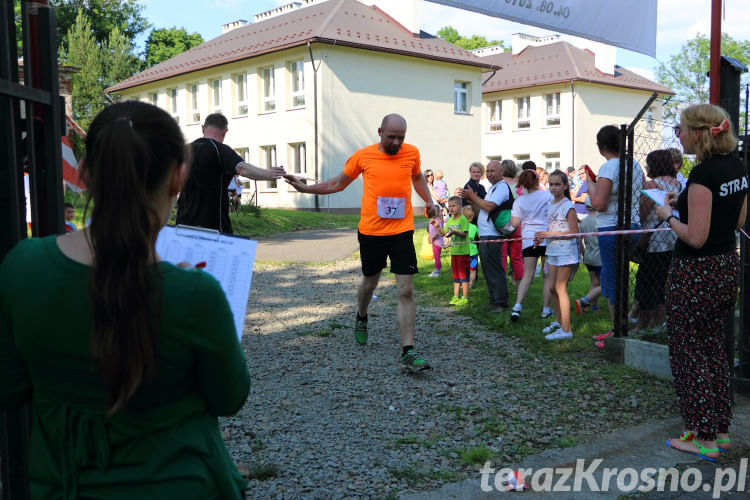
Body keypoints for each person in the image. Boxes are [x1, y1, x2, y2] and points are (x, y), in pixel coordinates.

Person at [0, 101, 250, 498]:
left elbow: (10, 388)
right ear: (178, 179)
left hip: (61, 487)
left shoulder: (23, 266)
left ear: (84, 176)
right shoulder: (194, 293)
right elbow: (229, 396)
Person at [284, 113, 436, 370]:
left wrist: (429, 200)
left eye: (401, 138)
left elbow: (418, 177)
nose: (397, 143)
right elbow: (337, 183)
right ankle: (362, 315)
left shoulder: (411, 153)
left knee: (406, 289)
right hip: (372, 232)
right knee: (370, 282)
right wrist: (306, 189)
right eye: (391, 137)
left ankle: (408, 350)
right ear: (379, 132)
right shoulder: (363, 156)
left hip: (402, 231)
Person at [657, 104, 747, 461]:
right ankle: (720, 429)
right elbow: (738, 218)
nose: (678, 136)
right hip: (726, 266)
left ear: (698, 134)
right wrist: (688, 205)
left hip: (696, 272)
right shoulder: (736, 166)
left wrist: (667, 215)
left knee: (687, 351)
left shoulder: (703, 174)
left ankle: (702, 436)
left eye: (681, 130)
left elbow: (695, 237)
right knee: (713, 349)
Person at [176, 112, 285, 234]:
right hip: (214, 228)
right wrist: (269, 174)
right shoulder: (220, 150)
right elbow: (242, 168)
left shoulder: (183, 151)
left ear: (203, 128)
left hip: (182, 227)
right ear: (225, 132)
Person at [586, 124, 644, 336]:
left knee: (611, 279)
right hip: (633, 225)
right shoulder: (635, 164)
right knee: (620, 276)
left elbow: (599, 203)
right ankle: (622, 324)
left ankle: (616, 331)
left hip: (611, 227)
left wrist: (590, 184)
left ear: (600, 147)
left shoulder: (609, 167)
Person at [633, 149, 681, 334]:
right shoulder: (678, 185)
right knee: (664, 283)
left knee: (647, 282)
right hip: (673, 237)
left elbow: (643, 212)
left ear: (654, 165)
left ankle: (642, 324)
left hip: (654, 241)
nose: (646, 167)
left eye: (648, 163)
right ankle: (657, 323)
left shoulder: (652, 184)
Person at [534, 170, 580, 340]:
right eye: (551, 184)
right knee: (552, 287)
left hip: (566, 252)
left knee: (561, 288)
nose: (553, 188)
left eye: (557, 184)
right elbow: (553, 228)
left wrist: (549, 234)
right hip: (552, 251)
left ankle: (567, 330)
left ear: (565, 186)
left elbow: (574, 232)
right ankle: (559, 322)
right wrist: (541, 237)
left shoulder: (568, 205)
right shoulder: (550, 204)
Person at [460, 160, 510, 313]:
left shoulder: (502, 187)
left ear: (501, 172)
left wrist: (474, 198)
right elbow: (482, 209)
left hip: (493, 236)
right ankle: (493, 300)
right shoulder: (491, 188)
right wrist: (472, 201)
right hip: (485, 235)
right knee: (488, 270)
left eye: (492, 171)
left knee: (495, 270)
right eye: (487, 171)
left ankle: (501, 303)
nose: (489, 174)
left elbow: (489, 207)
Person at [508, 170, 554, 322]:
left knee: (528, 275)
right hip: (546, 239)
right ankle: (546, 310)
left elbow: (514, 224)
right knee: (547, 275)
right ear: (537, 180)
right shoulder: (548, 195)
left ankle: (517, 307)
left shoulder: (519, 201)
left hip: (528, 239)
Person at [433, 196, 471, 305]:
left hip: (463, 252)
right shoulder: (450, 220)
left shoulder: (463, 219)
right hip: (454, 252)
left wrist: (454, 232)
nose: (451, 208)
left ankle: (465, 297)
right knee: (455, 275)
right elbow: (444, 233)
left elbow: (464, 234)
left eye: (453, 205)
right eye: (449, 206)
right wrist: (437, 227)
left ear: (460, 206)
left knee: (463, 275)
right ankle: (455, 296)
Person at [576, 197, 602, 315]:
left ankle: (595, 307)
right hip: (600, 258)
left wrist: (583, 255)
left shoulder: (584, 222)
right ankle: (584, 300)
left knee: (594, 283)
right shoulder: (600, 221)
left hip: (589, 256)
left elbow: (579, 241)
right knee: (605, 284)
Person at [500, 160, 523, 287]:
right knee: (517, 257)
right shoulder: (519, 186)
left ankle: (503, 285)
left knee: (502, 256)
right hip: (517, 223)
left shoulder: (500, 185)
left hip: (502, 224)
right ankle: (519, 285)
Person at [462, 205, 480, 288]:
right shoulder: (474, 227)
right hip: (473, 252)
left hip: (464, 252)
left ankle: (465, 284)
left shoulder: (461, 228)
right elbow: (479, 237)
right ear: (472, 217)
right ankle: (471, 284)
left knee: (464, 269)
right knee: (472, 270)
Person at [427, 210, 444, 277]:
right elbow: (430, 231)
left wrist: (432, 238)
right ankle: (438, 270)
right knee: (436, 256)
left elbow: (438, 231)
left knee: (437, 257)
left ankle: (437, 271)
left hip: (438, 243)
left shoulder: (437, 221)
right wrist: (429, 237)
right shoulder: (432, 220)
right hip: (435, 243)